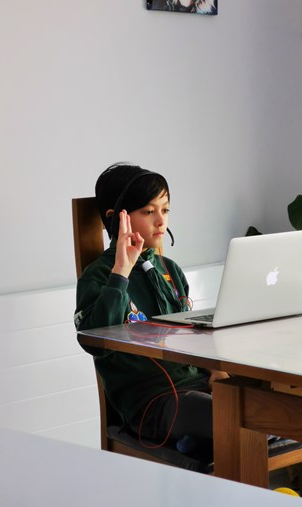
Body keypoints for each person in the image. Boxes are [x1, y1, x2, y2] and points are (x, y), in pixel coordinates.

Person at [74, 163, 228, 450]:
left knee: (262, 401)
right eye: (148, 211)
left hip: (197, 387)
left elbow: (194, 333)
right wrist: (120, 271)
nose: (161, 221)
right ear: (116, 220)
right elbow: (95, 341)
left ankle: (200, 443)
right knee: (234, 416)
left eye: (165, 210)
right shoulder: (98, 276)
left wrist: (215, 371)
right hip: (152, 404)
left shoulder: (170, 270)